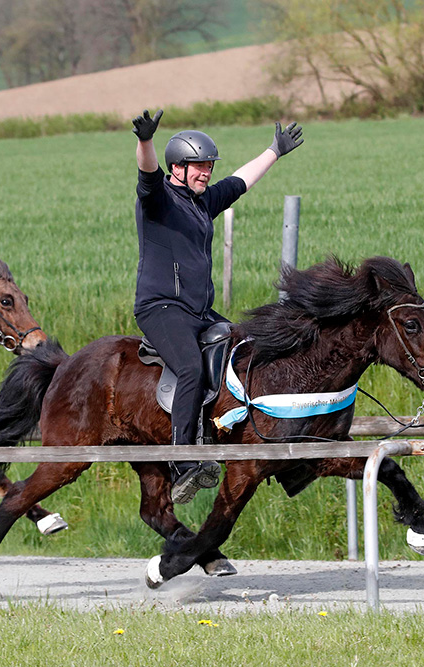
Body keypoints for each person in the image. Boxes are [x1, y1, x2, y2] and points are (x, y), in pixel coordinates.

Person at [131, 109, 304, 504]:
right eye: (198, 167)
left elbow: (239, 182)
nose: (205, 173)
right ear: (176, 168)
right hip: (161, 308)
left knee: (250, 347)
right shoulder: (159, 202)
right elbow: (147, 176)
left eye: (208, 166)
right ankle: (182, 462)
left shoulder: (201, 202)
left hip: (198, 312)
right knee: (191, 367)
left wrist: (274, 151)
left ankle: (276, 451)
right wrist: (144, 142)